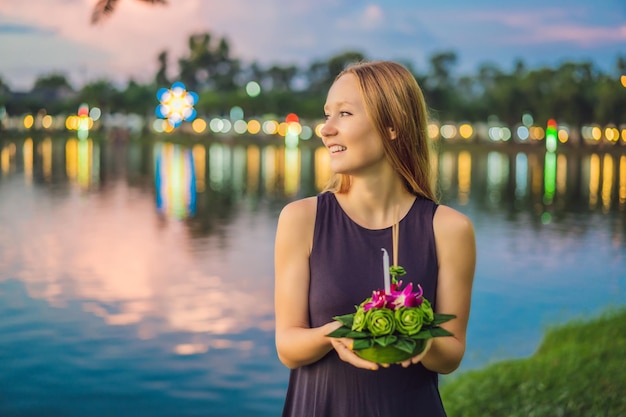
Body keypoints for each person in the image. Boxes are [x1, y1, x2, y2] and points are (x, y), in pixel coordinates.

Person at [274, 60, 476, 417]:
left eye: (345, 114)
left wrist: (414, 333)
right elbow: (288, 346)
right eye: (327, 114)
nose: (326, 129)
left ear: (392, 126)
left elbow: (451, 355)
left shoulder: (449, 229)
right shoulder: (301, 219)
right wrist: (340, 332)